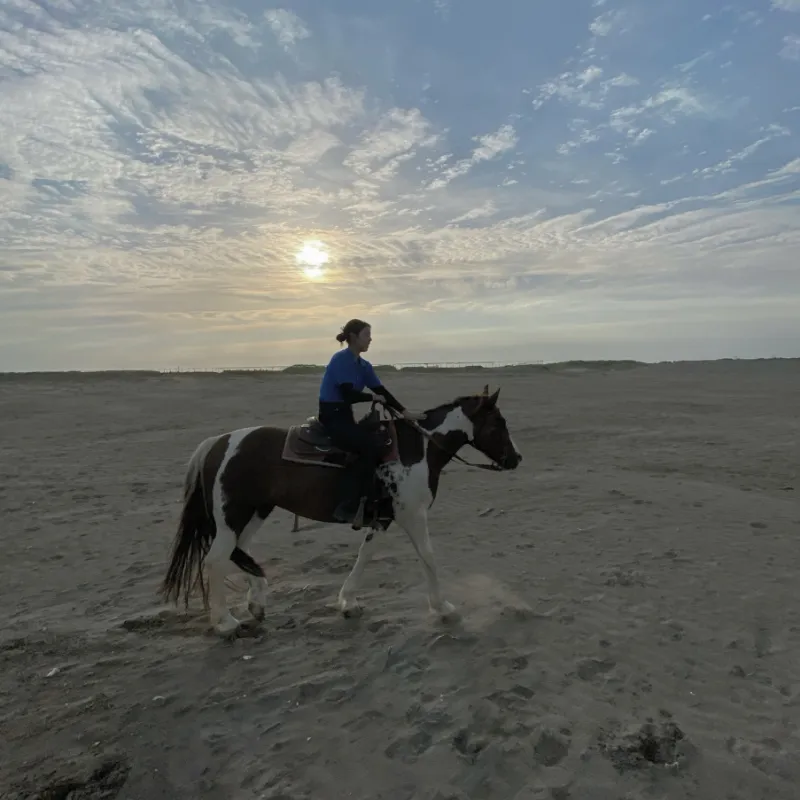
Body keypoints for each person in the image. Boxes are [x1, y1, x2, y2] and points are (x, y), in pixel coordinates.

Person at [318, 318, 426, 523]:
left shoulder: (363, 365)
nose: (370, 339)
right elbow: (348, 394)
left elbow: (381, 390)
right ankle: (347, 505)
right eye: (366, 335)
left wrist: (404, 412)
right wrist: (372, 397)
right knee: (368, 446)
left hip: (345, 416)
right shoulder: (341, 359)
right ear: (353, 337)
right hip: (332, 417)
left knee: (381, 439)